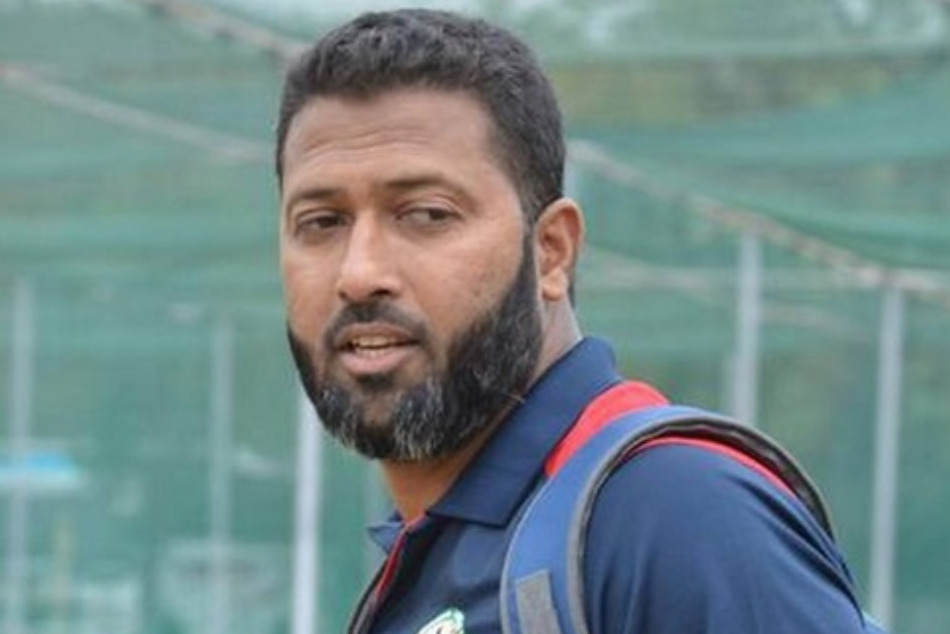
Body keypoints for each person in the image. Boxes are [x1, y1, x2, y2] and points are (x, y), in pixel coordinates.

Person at [275, 8, 871, 634]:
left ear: (552, 252)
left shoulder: (675, 512)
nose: (359, 272)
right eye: (322, 222)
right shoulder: (436, 552)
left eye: (426, 214)